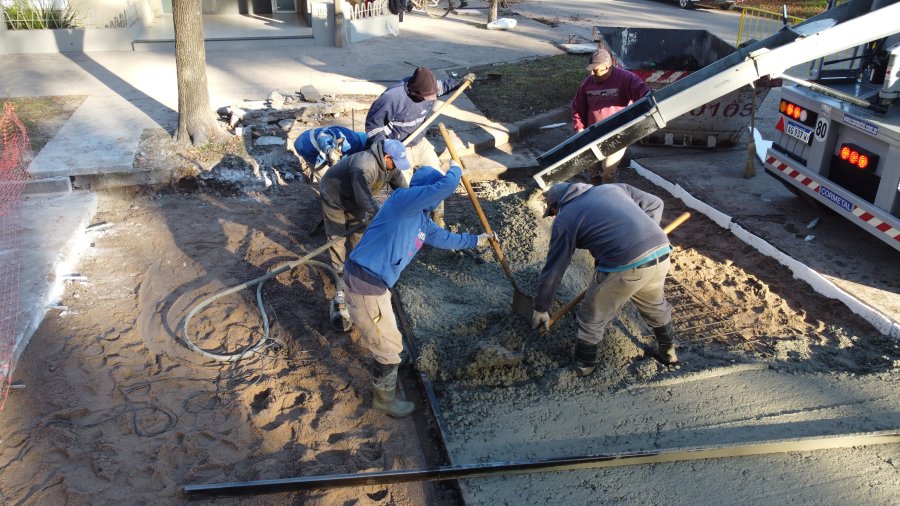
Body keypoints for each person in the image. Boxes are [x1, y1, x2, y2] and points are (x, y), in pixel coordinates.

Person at [342, 164, 491, 417]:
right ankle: (384, 400)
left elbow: (445, 239)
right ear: (425, 191)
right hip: (366, 283)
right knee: (387, 346)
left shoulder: (421, 219)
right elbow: (446, 186)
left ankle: (397, 355)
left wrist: (477, 239)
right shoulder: (403, 201)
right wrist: (456, 169)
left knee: (388, 333)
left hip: (376, 283)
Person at [532, 182, 678, 377]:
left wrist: (541, 308)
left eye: (553, 212)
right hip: (661, 253)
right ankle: (668, 353)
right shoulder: (612, 188)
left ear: (556, 205)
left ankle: (584, 367)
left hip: (625, 265)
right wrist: (644, 239)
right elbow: (655, 203)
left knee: (591, 316)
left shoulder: (565, 219)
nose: (554, 216)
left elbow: (554, 270)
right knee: (654, 304)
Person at [364, 67, 475, 227]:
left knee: (438, 179)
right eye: (426, 96)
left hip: (419, 142)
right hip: (399, 147)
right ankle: (412, 225)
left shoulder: (430, 86)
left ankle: (438, 219)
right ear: (414, 91)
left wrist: (460, 83)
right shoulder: (392, 97)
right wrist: (387, 146)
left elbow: (443, 86)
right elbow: (372, 127)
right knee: (407, 191)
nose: (430, 99)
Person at [319, 138, 410, 278]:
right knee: (337, 234)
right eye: (396, 162)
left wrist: (412, 203)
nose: (397, 166)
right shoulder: (364, 166)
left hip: (355, 195)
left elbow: (403, 189)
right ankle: (339, 271)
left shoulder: (392, 168)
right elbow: (364, 200)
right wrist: (383, 214)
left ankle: (358, 263)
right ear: (387, 157)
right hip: (334, 194)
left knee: (360, 230)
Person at [571, 49, 651, 184]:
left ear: (607, 67)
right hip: (593, 134)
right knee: (592, 168)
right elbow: (577, 108)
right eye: (591, 70)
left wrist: (649, 95)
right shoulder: (587, 84)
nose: (592, 73)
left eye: (596, 70)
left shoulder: (625, 79)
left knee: (608, 169)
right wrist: (579, 129)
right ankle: (595, 192)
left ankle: (609, 195)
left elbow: (641, 90)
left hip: (618, 134)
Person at [292, 125, 368, 182]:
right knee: (328, 181)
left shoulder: (362, 141)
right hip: (306, 145)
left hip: (313, 144)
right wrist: (329, 149)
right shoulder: (351, 141)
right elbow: (323, 135)